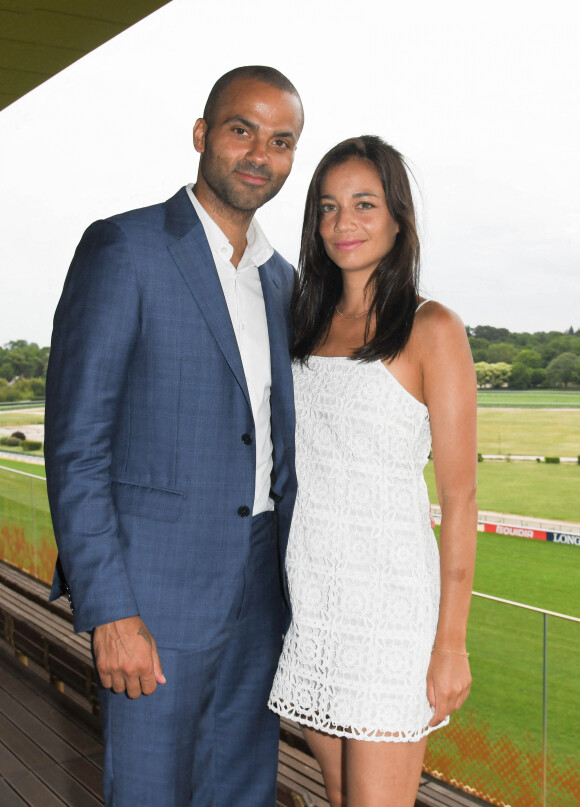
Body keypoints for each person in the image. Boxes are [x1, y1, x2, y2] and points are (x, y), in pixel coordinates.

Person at [44, 65, 303, 807]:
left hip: (260, 593)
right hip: (152, 602)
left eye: (281, 141)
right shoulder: (124, 248)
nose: (260, 153)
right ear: (202, 135)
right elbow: (77, 447)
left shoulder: (282, 281)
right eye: (241, 130)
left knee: (241, 792)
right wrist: (111, 611)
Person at [268, 135, 477, 807]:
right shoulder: (304, 320)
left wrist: (450, 643)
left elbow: (461, 498)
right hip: (317, 600)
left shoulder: (431, 327)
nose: (343, 223)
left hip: (390, 613)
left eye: (364, 204)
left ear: (397, 217)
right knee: (338, 796)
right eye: (328, 207)